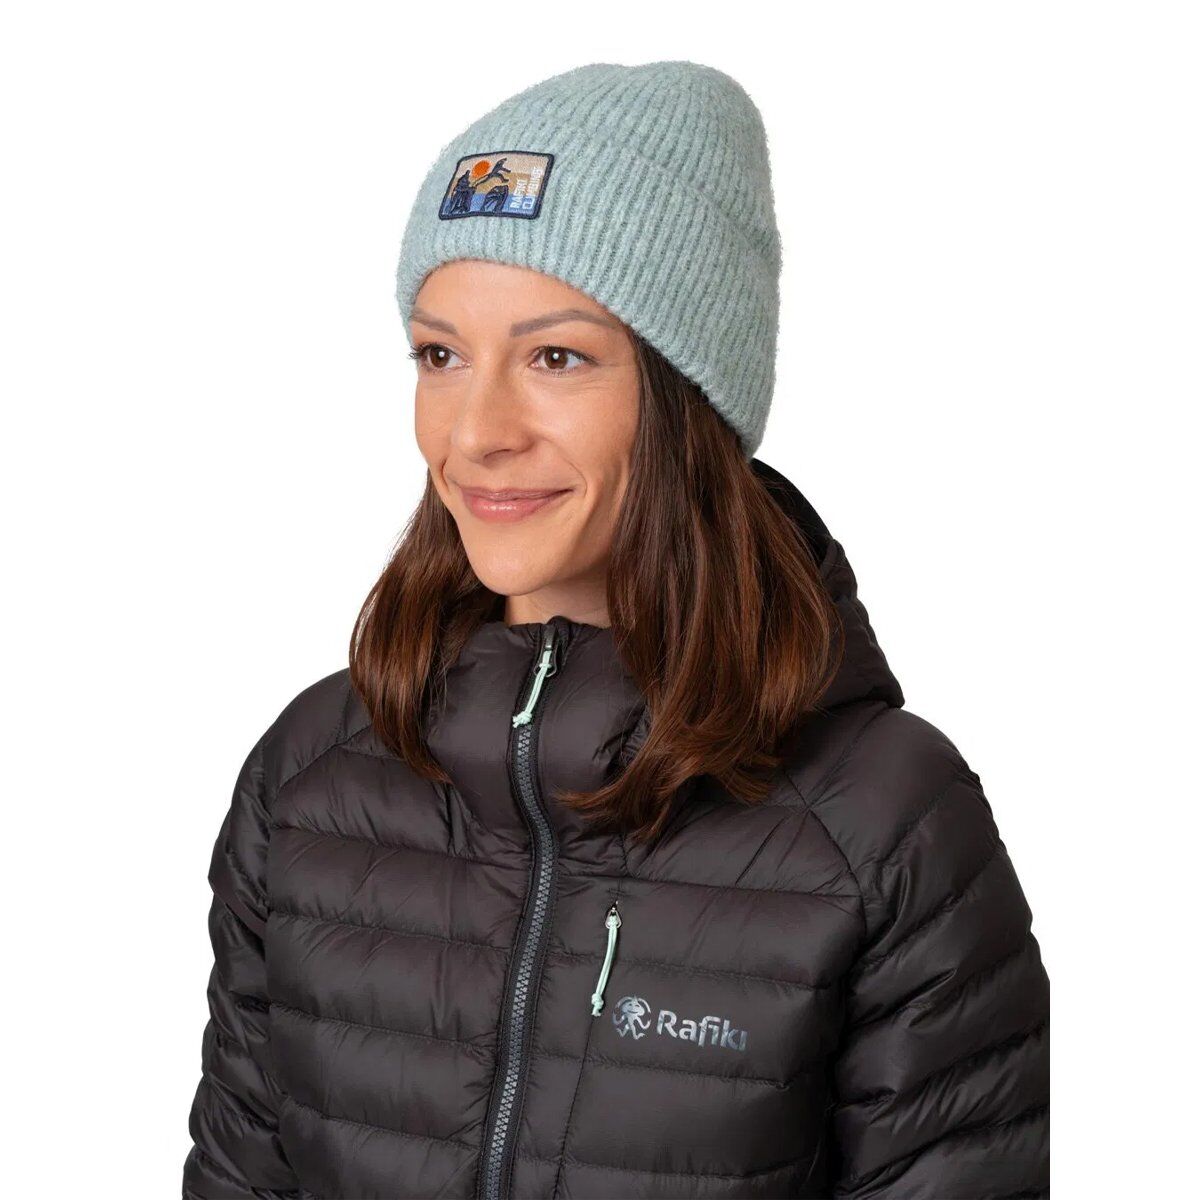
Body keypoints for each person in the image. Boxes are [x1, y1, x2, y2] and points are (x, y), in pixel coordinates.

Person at [182, 60, 1050, 1200]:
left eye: (557, 357)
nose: (476, 432)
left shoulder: (882, 823)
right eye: (441, 355)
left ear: (691, 399)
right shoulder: (311, 776)